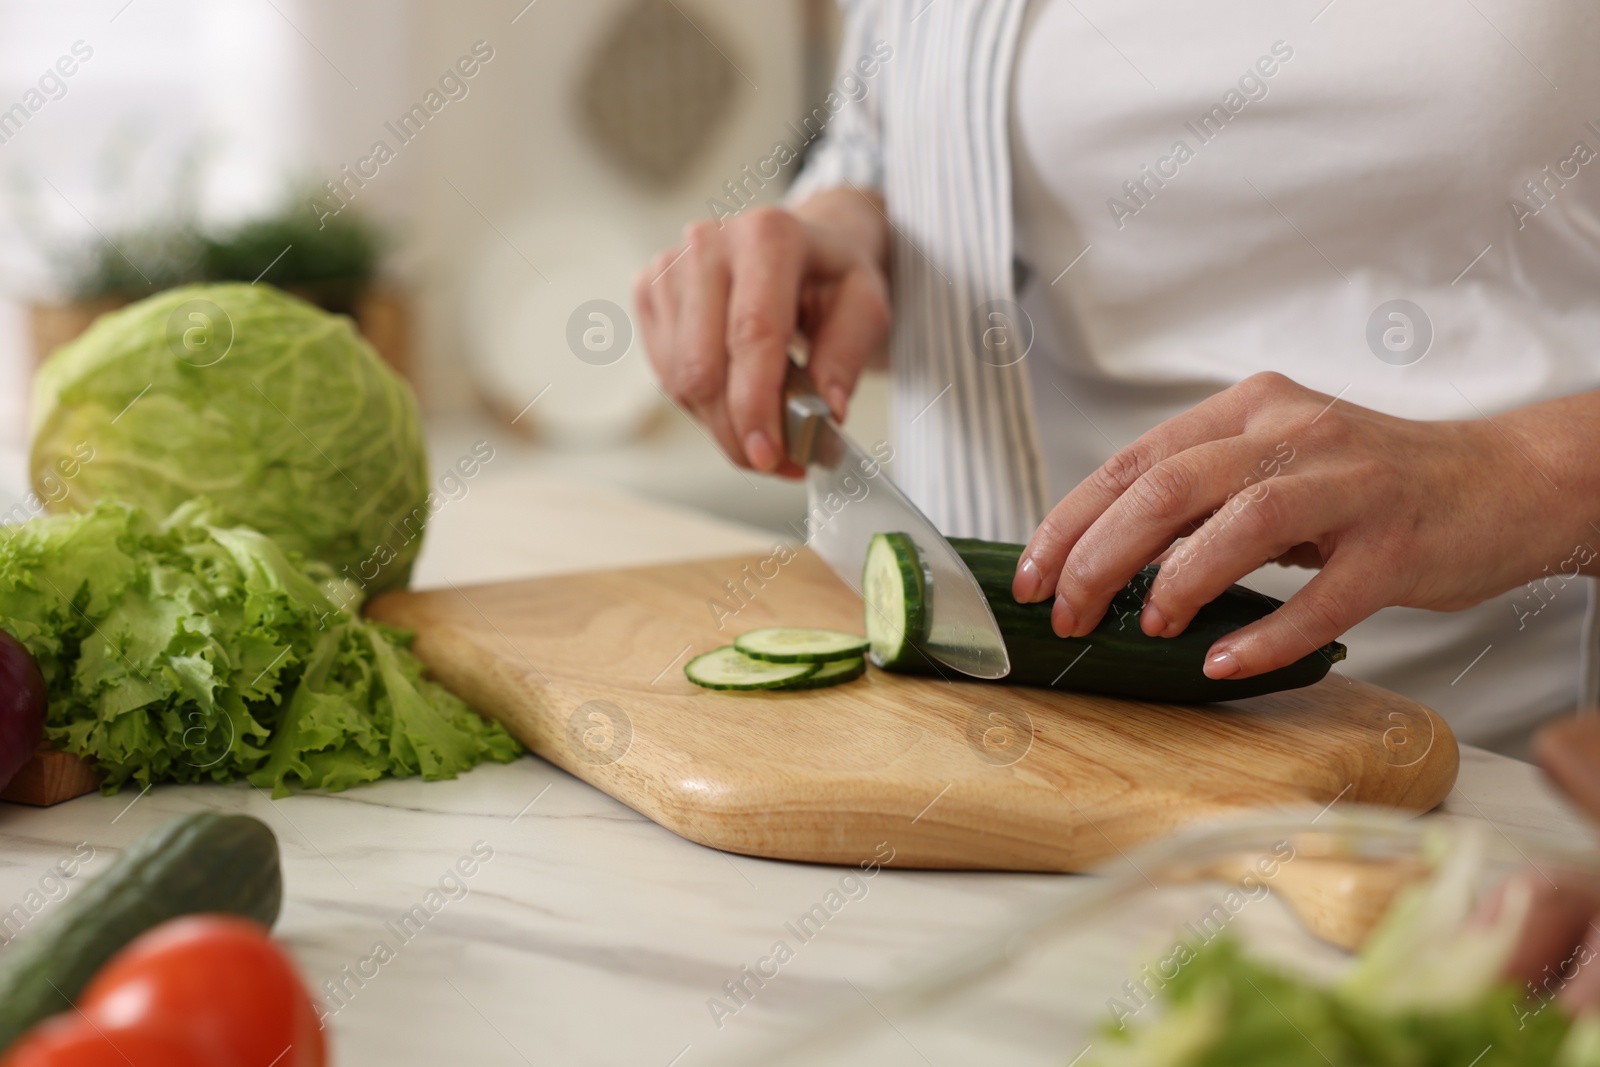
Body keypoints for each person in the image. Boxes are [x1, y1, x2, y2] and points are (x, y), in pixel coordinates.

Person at [635, 0, 1600, 755]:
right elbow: (890, 130)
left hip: (1488, 781)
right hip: (1006, 763)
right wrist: (848, 230)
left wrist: (1514, 469)